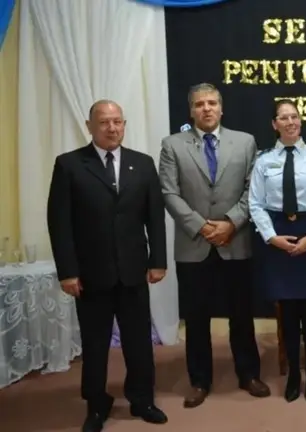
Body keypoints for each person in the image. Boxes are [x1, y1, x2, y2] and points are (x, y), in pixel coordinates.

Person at [46, 100, 168, 431]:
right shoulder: (70, 165)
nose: (112, 128)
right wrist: (68, 271)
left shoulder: (142, 164)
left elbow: (154, 217)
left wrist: (158, 261)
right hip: (90, 274)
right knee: (95, 344)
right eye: (104, 122)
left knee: (139, 341)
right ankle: (96, 404)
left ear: (124, 124)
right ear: (90, 126)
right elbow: (59, 223)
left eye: (117, 121)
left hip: (133, 271)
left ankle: (142, 399)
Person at [158, 83, 269, 408]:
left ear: (221, 108)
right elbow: (169, 192)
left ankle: (249, 374)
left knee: (241, 315)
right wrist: (202, 226)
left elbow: (253, 189)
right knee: (196, 319)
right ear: (191, 111)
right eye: (199, 104)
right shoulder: (172, 145)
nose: (206, 109)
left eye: (211, 103)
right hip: (194, 244)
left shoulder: (245, 142)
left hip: (235, 240)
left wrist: (231, 222)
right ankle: (199, 381)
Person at [248, 99, 306, 403]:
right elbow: (255, 203)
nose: (290, 122)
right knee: (287, 311)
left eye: (294, 116)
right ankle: (294, 375)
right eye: (284, 118)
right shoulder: (263, 161)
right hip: (277, 235)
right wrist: (271, 237)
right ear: (275, 124)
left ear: (301, 121)